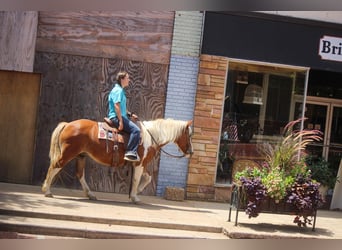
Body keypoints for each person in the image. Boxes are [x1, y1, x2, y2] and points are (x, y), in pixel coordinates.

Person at [108, 71, 141, 162]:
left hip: (120, 116)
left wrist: (130, 114)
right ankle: (130, 152)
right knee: (136, 130)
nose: (129, 80)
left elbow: (122, 108)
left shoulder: (120, 90)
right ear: (122, 79)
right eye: (127, 78)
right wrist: (121, 121)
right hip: (116, 117)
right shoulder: (118, 90)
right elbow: (116, 106)